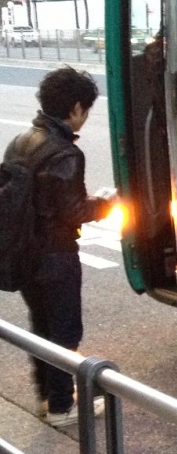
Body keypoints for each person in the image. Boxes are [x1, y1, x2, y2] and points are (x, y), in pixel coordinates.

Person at [2, 67, 114, 426]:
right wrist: (106, 203)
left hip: (24, 253)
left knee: (41, 326)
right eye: (86, 110)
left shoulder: (20, 142)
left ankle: (47, 397)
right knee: (65, 331)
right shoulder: (65, 153)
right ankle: (62, 407)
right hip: (56, 256)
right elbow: (74, 211)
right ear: (76, 107)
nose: (85, 117)